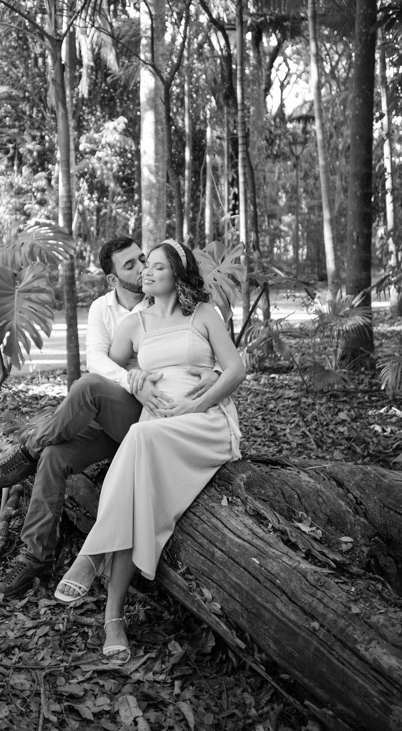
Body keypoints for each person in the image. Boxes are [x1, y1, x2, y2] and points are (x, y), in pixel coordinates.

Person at [0, 237, 220, 597]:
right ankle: (36, 559)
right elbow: (96, 357)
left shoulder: (169, 296)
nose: (143, 268)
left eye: (145, 259)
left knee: (90, 386)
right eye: (131, 265)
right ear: (112, 279)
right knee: (54, 457)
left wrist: (212, 373)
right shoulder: (102, 309)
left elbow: (206, 350)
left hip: (148, 418)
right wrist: (130, 380)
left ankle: (29, 449)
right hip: (111, 414)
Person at [54, 239, 246, 664]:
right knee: (137, 486)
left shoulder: (204, 314)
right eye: (146, 267)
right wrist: (136, 373)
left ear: (177, 274)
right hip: (156, 427)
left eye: (157, 267)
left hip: (203, 422)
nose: (147, 272)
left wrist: (198, 401)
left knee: (139, 441)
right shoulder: (135, 322)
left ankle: (91, 556)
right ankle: (113, 617)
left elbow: (236, 368)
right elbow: (106, 363)